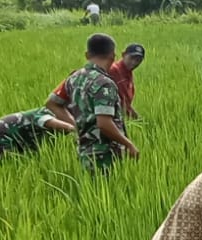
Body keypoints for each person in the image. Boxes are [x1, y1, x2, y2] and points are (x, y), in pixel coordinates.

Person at [46, 33, 139, 173]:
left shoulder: (74, 78)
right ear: (113, 56)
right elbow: (104, 124)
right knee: (107, 192)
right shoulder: (105, 83)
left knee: (93, 190)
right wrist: (128, 144)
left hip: (84, 151)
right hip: (105, 154)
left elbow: (52, 103)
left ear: (87, 55)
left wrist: (76, 126)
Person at [0, 107, 75, 158]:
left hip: (16, 141)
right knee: (13, 167)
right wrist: (73, 128)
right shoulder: (49, 112)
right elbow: (45, 120)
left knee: (31, 160)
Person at [112, 43, 145, 120]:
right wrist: (138, 119)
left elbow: (125, 102)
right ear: (123, 54)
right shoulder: (114, 70)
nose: (134, 63)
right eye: (131, 58)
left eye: (138, 60)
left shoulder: (128, 72)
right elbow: (122, 103)